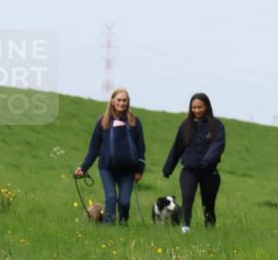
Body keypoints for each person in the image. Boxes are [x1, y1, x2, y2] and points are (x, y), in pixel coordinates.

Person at [74, 88, 146, 225]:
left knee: (124, 202)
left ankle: (123, 224)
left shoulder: (135, 121)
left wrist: (139, 170)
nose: (121, 103)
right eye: (119, 100)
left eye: (124, 100)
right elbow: (93, 149)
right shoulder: (103, 122)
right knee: (111, 198)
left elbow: (141, 148)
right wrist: (83, 168)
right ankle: (108, 228)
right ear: (113, 101)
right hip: (107, 168)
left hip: (128, 170)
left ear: (128, 102)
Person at [162, 93, 226, 233]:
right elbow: (177, 147)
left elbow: (218, 145)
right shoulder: (186, 125)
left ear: (207, 107)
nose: (196, 110)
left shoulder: (216, 125)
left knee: (208, 204)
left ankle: (210, 230)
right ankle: (186, 228)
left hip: (209, 171)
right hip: (189, 170)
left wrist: (206, 161)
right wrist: (168, 169)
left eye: (200, 107)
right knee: (187, 198)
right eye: (194, 108)